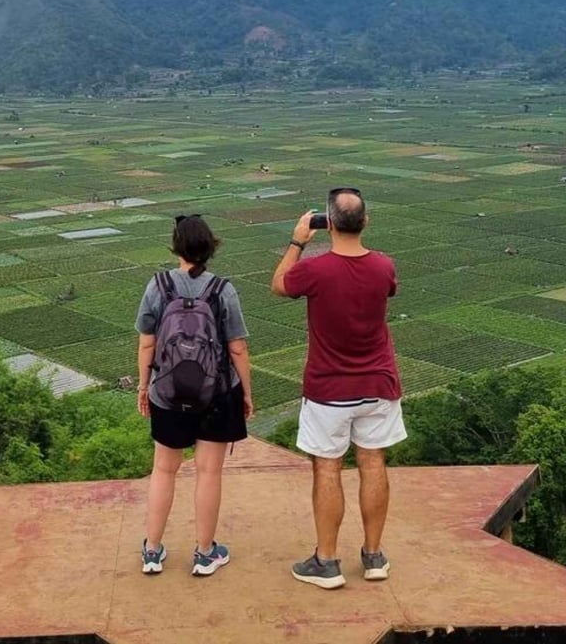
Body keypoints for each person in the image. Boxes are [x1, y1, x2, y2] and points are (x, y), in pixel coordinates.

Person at [271, 187, 403, 589]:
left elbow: (279, 284)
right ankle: (374, 556)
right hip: (378, 383)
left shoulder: (315, 270)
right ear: (365, 222)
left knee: (328, 467)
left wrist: (297, 240)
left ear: (327, 224)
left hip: (329, 388)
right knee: (373, 462)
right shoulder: (384, 266)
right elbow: (387, 289)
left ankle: (326, 562)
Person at [136, 214, 254, 577]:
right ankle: (205, 554)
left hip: (167, 393)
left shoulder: (157, 286)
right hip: (216, 393)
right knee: (208, 472)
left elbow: (146, 343)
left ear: (176, 246)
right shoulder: (223, 289)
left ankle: (153, 552)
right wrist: (245, 393)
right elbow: (237, 349)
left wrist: (144, 387)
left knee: (163, 470)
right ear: (209, 247)